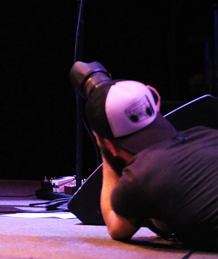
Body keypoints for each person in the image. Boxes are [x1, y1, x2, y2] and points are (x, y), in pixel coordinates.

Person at [72, 62, 218, 250]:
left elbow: (117, 229)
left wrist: (106, 153)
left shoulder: (140, 177)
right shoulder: (204, 134)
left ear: (109, 144)